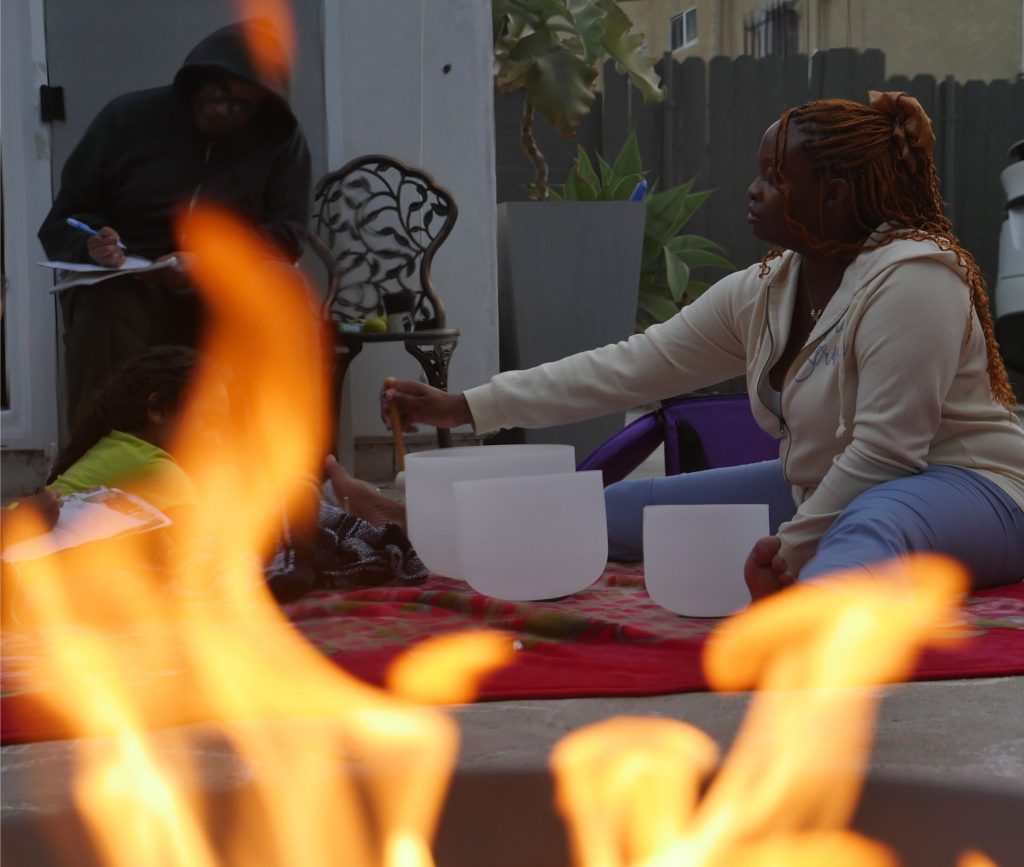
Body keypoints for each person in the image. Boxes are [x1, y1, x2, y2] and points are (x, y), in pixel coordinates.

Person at [381, 92, 1024, 600]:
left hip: (968, 488)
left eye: (774, 177)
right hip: (835, 488)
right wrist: (467, 406)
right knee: (618, 508)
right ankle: (406, 523)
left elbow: (886, 454)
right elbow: (630, 368)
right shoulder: (766, 289)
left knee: (871, 525)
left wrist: (790, 549)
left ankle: (812, 649)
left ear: (832, 194)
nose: (753, 189)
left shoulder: (914, 281)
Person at [38, 18, 312, 429]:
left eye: (242, 105)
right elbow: (68, 215)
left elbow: (288, 231)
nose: (225, 109)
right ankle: (105, 454)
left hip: (226, 285)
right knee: (104, 308)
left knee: (280, 288)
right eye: (219, 95)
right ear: (198, 81)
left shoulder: (278, 139)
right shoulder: (127, 119)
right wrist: (93, 244)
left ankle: (275, 453)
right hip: (133, 281)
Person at [34, 346, 424, 601]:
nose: (219, 439)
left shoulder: (126, 450)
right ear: (158, 410)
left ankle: (361, 514)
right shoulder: (153, 465)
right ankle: (361, 517)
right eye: (212, 422)